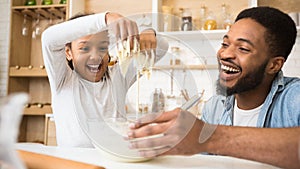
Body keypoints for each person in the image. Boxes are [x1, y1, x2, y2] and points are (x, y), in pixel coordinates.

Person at [126, 6, 300, 169]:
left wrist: (209, 136)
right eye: (225, 44)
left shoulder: (295, 98)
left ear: (274, 65)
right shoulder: (214, 107)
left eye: (243, 48)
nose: (225, 54)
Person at [41, 12, 168, 147]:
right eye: (84, 48)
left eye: (102, 48)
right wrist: (105, 19)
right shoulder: (63, 80)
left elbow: (162, 47)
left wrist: (149, 33)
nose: (96, 57)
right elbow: (49, 38)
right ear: (68, 52)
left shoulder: (119, 77)